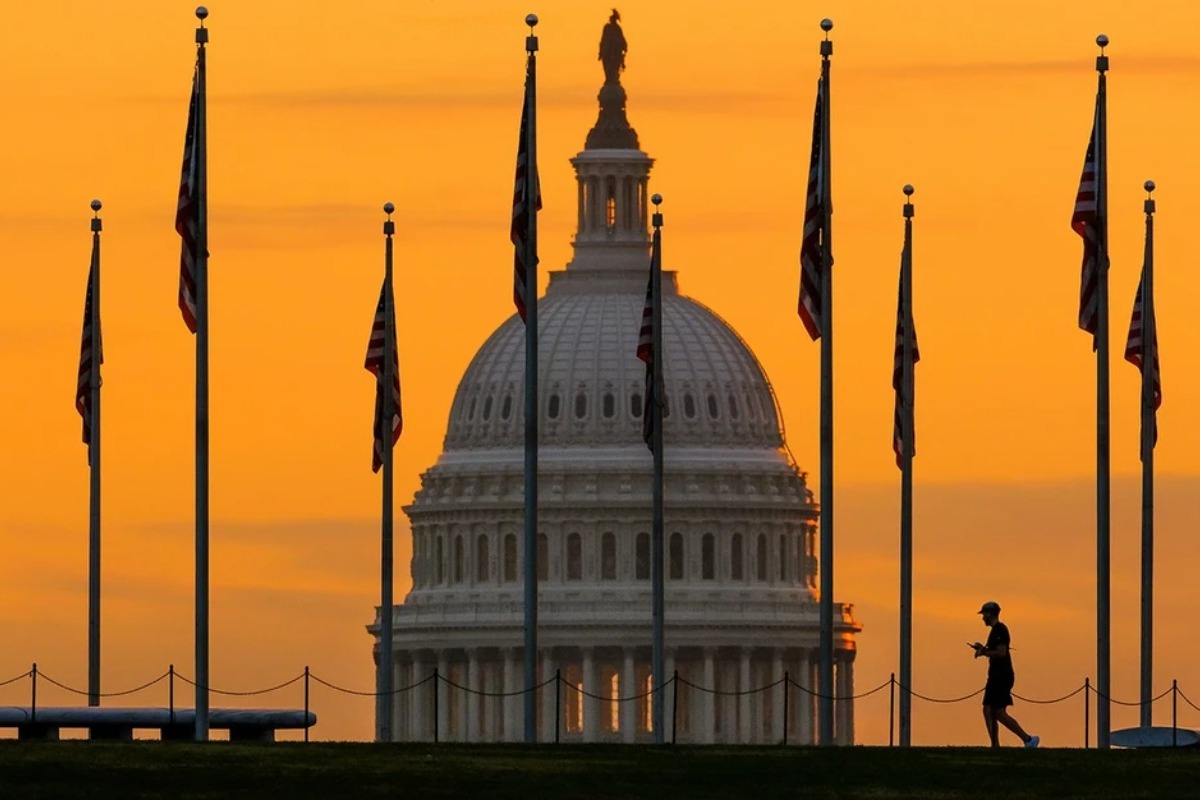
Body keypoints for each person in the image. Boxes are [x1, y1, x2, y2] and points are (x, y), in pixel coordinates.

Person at [970, 601, 1039, 748]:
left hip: (1001, 677)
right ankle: (998, 744)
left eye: (984, 614)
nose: (983, 618)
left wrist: (983, 652)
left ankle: (1027, 739)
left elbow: (1001, 652)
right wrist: (983, 649)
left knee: (996, 712)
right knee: (990, 710)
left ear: (990, 614)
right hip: (996, 676)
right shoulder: (996, 631)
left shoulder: (1000, 630)